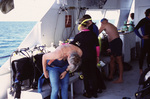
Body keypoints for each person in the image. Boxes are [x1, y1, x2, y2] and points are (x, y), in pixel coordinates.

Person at [70, 17, 100, 98]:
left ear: (81, 25)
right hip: (93, 56)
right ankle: (95, 93)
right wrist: (97, 56)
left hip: (84, 57)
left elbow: (71, 45)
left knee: (86, 75)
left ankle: (88, 93)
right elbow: (97, 47)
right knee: (93, 74)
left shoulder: (78, 36)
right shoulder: (93, 34)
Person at [82, 14, 106, 92]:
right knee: (94, 70)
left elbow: (91, 41)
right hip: (94, 51)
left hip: (91, 51)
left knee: (93, 71)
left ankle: (97, 87)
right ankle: (100, 86)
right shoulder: (94, 27)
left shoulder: (91, 29)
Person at [99, 18, 123, 83]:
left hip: (115, 42)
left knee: (118, 60)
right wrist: (110, 47)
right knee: (112, 59)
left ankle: (120, 78)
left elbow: (97, 33)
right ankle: (111, 76)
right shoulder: (110, 25)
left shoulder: (104, 25)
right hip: (114, 43)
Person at [134, 8, 150, 74]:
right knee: (142, 56)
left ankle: (149, 68)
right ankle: (141, 69)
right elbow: (135, 29)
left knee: (149, 55)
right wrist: (141, 37)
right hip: (145, 41)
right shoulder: (143, 21)